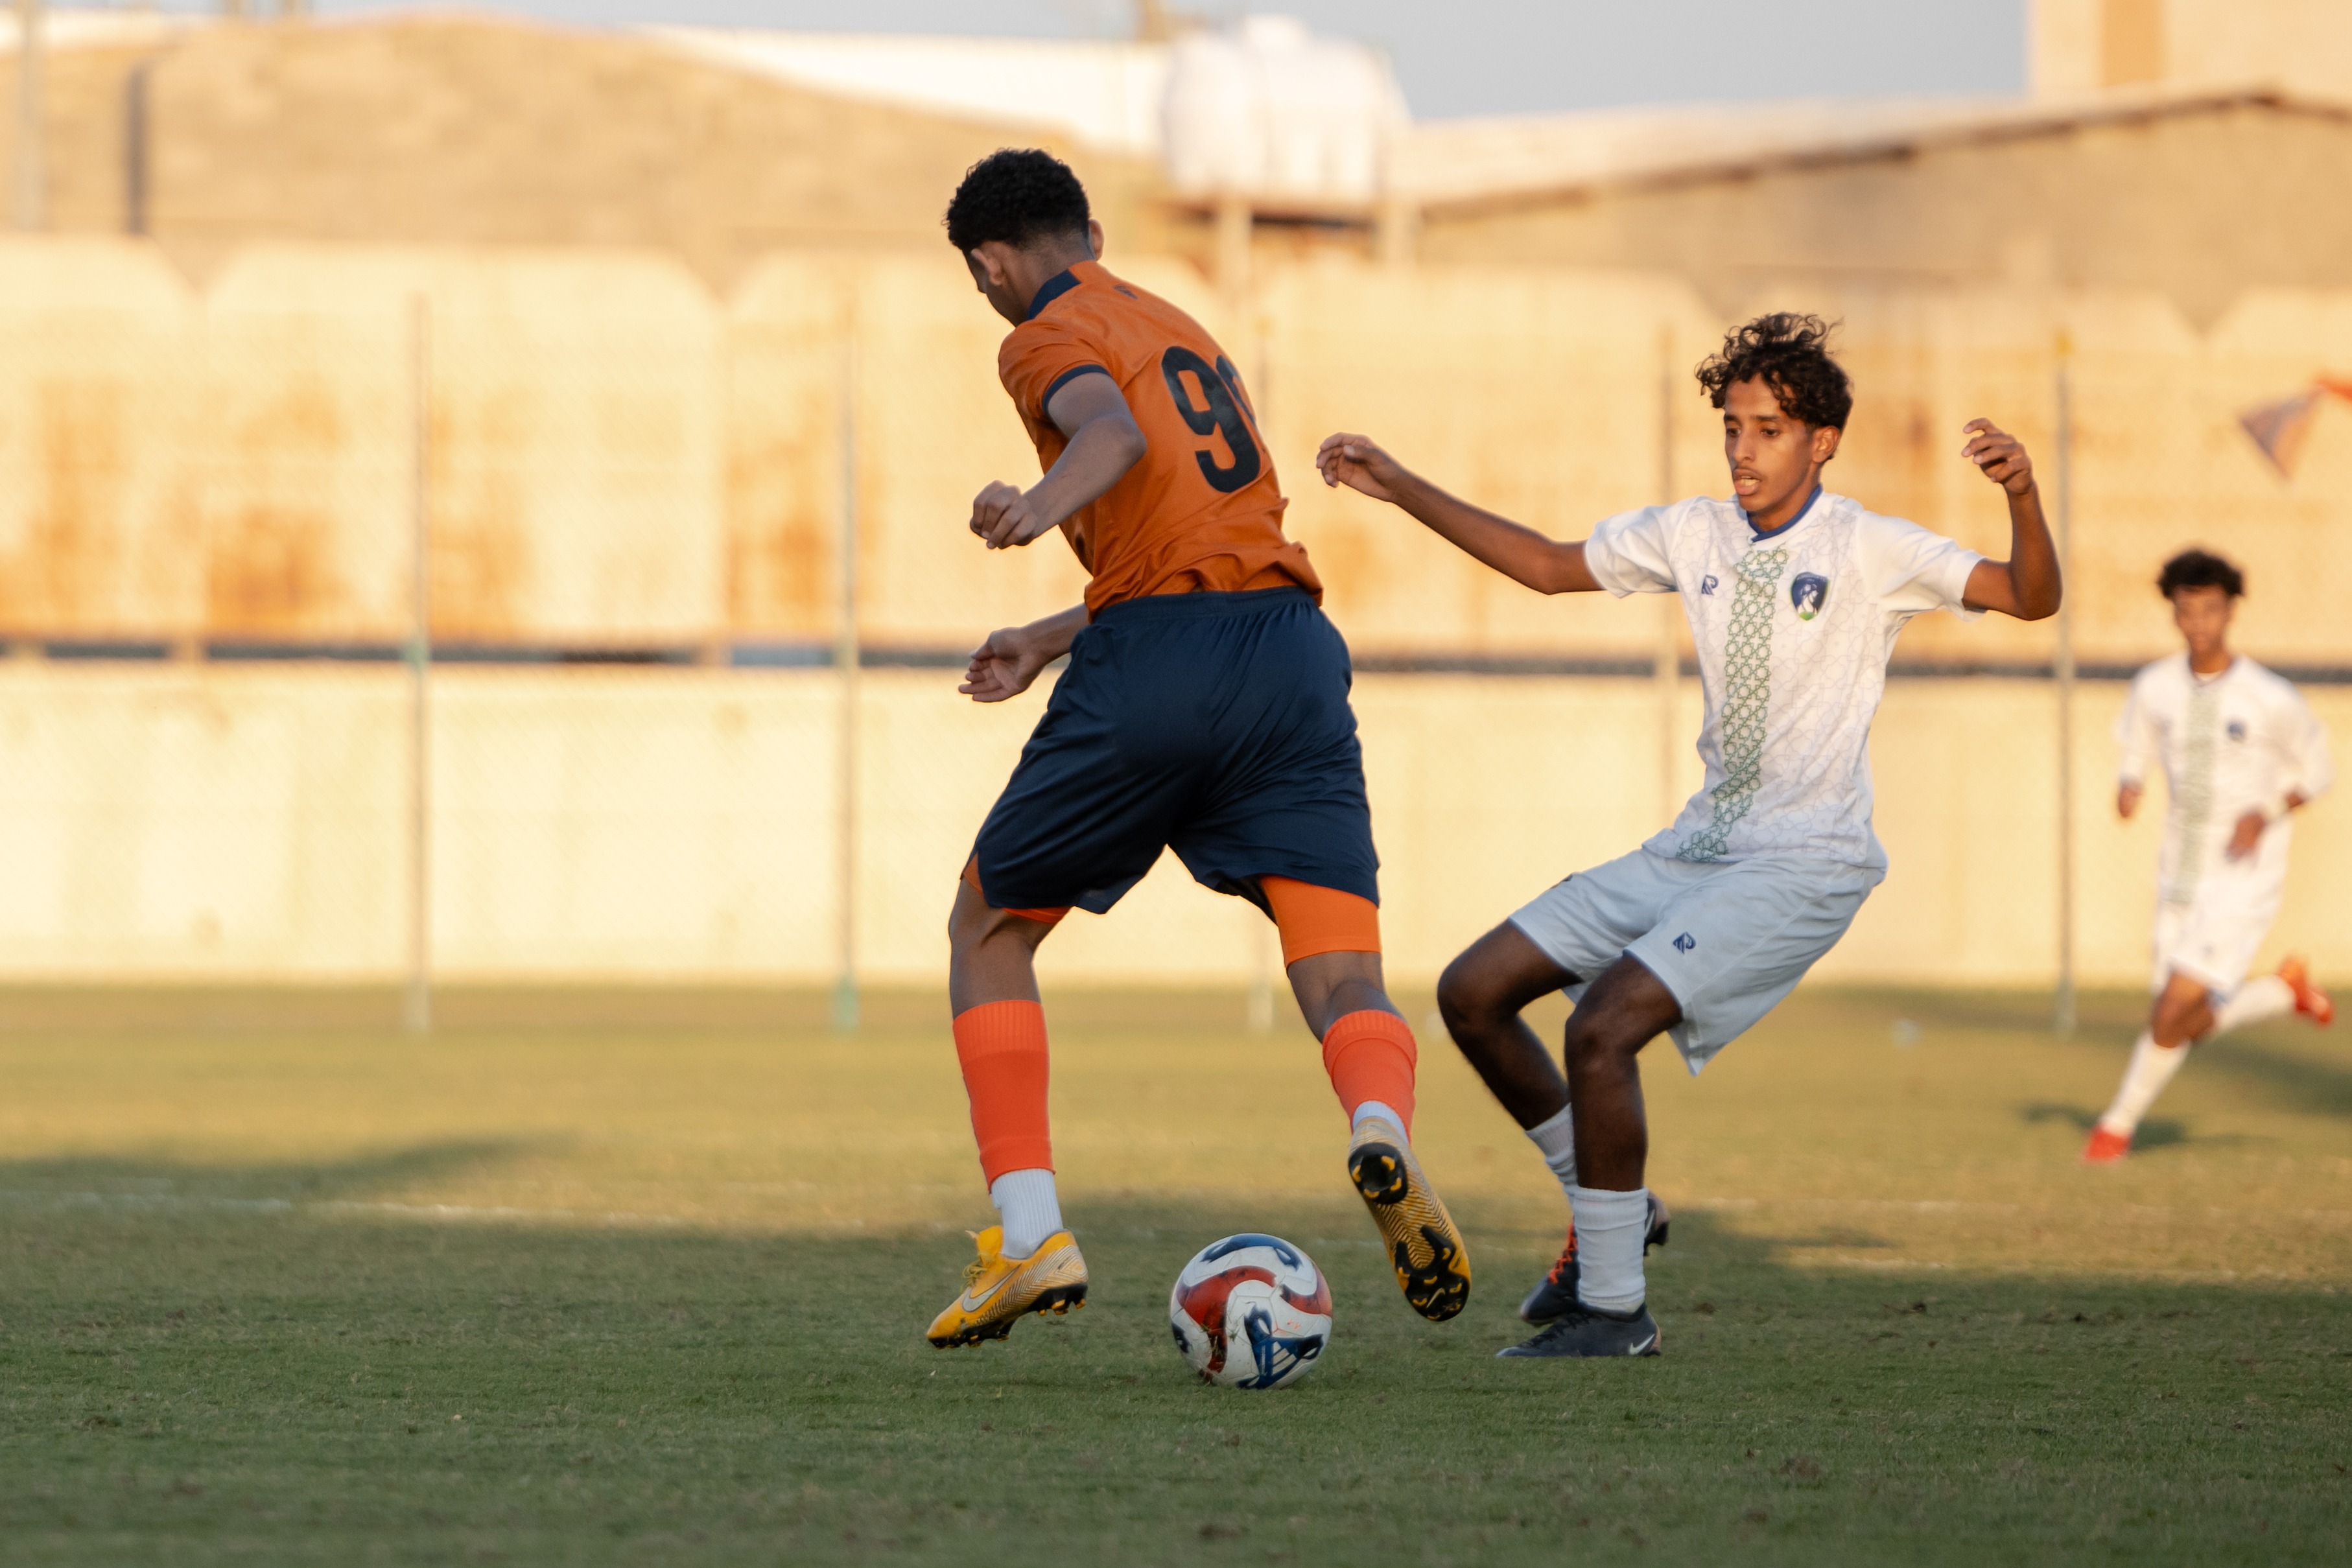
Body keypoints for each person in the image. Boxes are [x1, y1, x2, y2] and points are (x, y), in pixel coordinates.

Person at [1316, 312, 2062, 1357]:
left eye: (1767, 428)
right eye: (1732, 426)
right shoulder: (1693, 531)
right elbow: (1540, 563)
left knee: (1603, 1027)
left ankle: (1615, 1309)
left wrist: (2022, 493)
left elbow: (2032, 598)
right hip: (1699, 847)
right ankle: (1614, 1205)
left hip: (1807, 861)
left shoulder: (1869, 547)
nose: (1744, 448)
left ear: (1823, 441)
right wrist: (1400, 484)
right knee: (1472, 991)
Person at [926, 149, 1470, 1349]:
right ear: (1095, 230)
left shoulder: (1038, 336)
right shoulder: (1178, 325)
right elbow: (1200, 541)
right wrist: (1048, 635)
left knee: (987, 926)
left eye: (980, 279)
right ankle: (1378, 1125)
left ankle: (1029, 1237)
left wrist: (1036, 502)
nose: (986, 297)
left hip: (1163, 663)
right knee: (1338, 973)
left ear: (992, 261)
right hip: (1289, 652)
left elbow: (1108, 439)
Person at [2083, 550, 2334, 1163]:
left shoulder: (2268, 695)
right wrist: (2130, 782)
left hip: (2244, 879)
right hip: (2179, 873)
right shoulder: (2156, 686)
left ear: (2230, 612)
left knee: (2171, 1012)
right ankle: (2281, 992)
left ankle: (2115, 1128)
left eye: (2211, 609)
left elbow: (2320, 769)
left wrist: (2267, 810)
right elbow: (2136, 746)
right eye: (2187, 610)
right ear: (2174, 613)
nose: (2199, 622)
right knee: (2179, 1019)